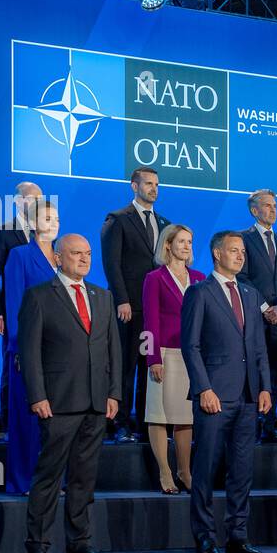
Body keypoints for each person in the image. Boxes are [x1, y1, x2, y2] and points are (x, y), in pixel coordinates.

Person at [19, 234, 121, 553]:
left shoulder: (103, 297)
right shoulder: (38, 296)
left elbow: (113, 352)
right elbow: (30, 353)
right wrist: (38, 396)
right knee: (49, 476)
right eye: (76, 253)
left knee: (84, 477)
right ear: (58, 258)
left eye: (88, 253)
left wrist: (114, 393)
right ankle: (38, 544)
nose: (84, 259)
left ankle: (80, 542)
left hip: (95, 401)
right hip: (58, 402)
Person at [181, 231, 273, 553]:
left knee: (242, 470)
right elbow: (189, 346)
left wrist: (265, 386)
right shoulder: (199, 293)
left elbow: (259, 347)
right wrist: (204, 388)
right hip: (215, 395)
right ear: (217, 254)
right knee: (205, 469)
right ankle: (205, 536)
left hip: (248, 395)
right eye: (234, 251)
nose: (240, 256)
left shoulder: (250, 294)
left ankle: (237, 534)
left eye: (243, 252)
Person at [100, 167, 168, 443]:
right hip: (129, 309)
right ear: (134, 186)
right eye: (148, 184)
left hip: (155, 311)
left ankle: (143, 424)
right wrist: (122, 300)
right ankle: (119, 424)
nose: (154, 188)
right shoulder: (118, 219)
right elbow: (112, 264)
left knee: (149, 368)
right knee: (125, 367)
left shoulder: (165, 223)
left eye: (156, 184)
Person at [3, 197, 60, 496]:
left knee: (57, 423)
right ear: (34, 223)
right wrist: (19, 348)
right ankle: (23, 480)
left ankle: (52, 481)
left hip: (59, 353)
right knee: (26, 420)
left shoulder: (62, 258)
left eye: (57, 220)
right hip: (28, 350)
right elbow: (14, 305)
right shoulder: (20, 255)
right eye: (47, 219)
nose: (53, 225)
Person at [142, 225, 205, 494]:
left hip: (192, 355)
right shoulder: (154, 278)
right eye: (181, 241)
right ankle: (165, 471)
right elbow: (150, 320)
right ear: (167, 244)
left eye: (190, 241)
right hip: (165, 353)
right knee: (159, 415)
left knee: (185, 417)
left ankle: (184, 471)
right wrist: (153, 358)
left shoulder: (200, 277)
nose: (187, 245)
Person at [237, 189, 277, 442]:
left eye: (275, 206)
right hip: (254, 317)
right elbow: (243, 277)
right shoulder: (243, 239)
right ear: (254, 210)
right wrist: (264, 308)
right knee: (254, 371)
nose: (273, 210)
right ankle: (250, 424)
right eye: (268, 206)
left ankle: (269, 426)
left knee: (275, 372)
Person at [0, 181, 42, 429]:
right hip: (13, 312)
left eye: (41, 199)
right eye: (32, 198)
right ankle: (9, 423)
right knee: (12, 367)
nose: (37, 203)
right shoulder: (3, 231)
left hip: (43, 312)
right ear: (18, 202)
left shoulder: (46, 232)